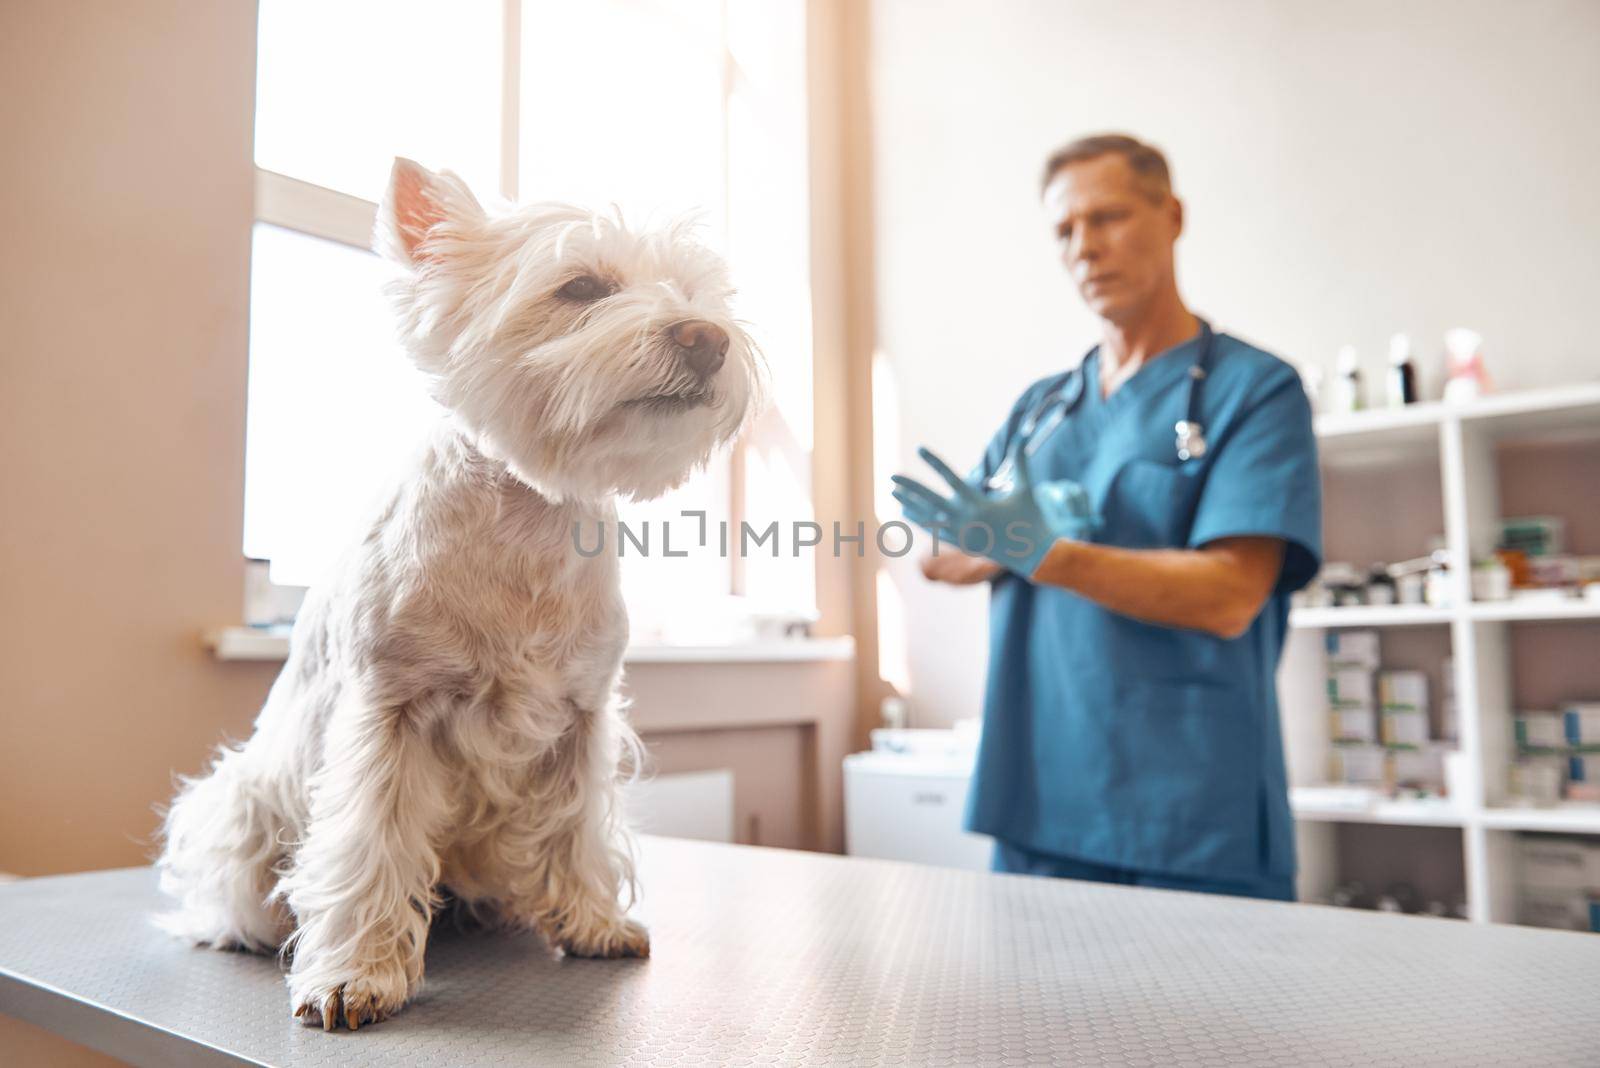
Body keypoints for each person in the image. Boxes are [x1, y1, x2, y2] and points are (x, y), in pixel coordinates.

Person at [891, 133, 1322, 900]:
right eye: (1065, 231)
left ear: (1173, 215)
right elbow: (943, 549)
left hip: (1191, 811)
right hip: (1039, 798)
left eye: (1109, 218)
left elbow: (1229, 594)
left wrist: (1043, 549)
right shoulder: (1043, 409)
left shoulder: (1254, 391)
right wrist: (1021, 537)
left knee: (1212, 1024)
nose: (1085, 248)